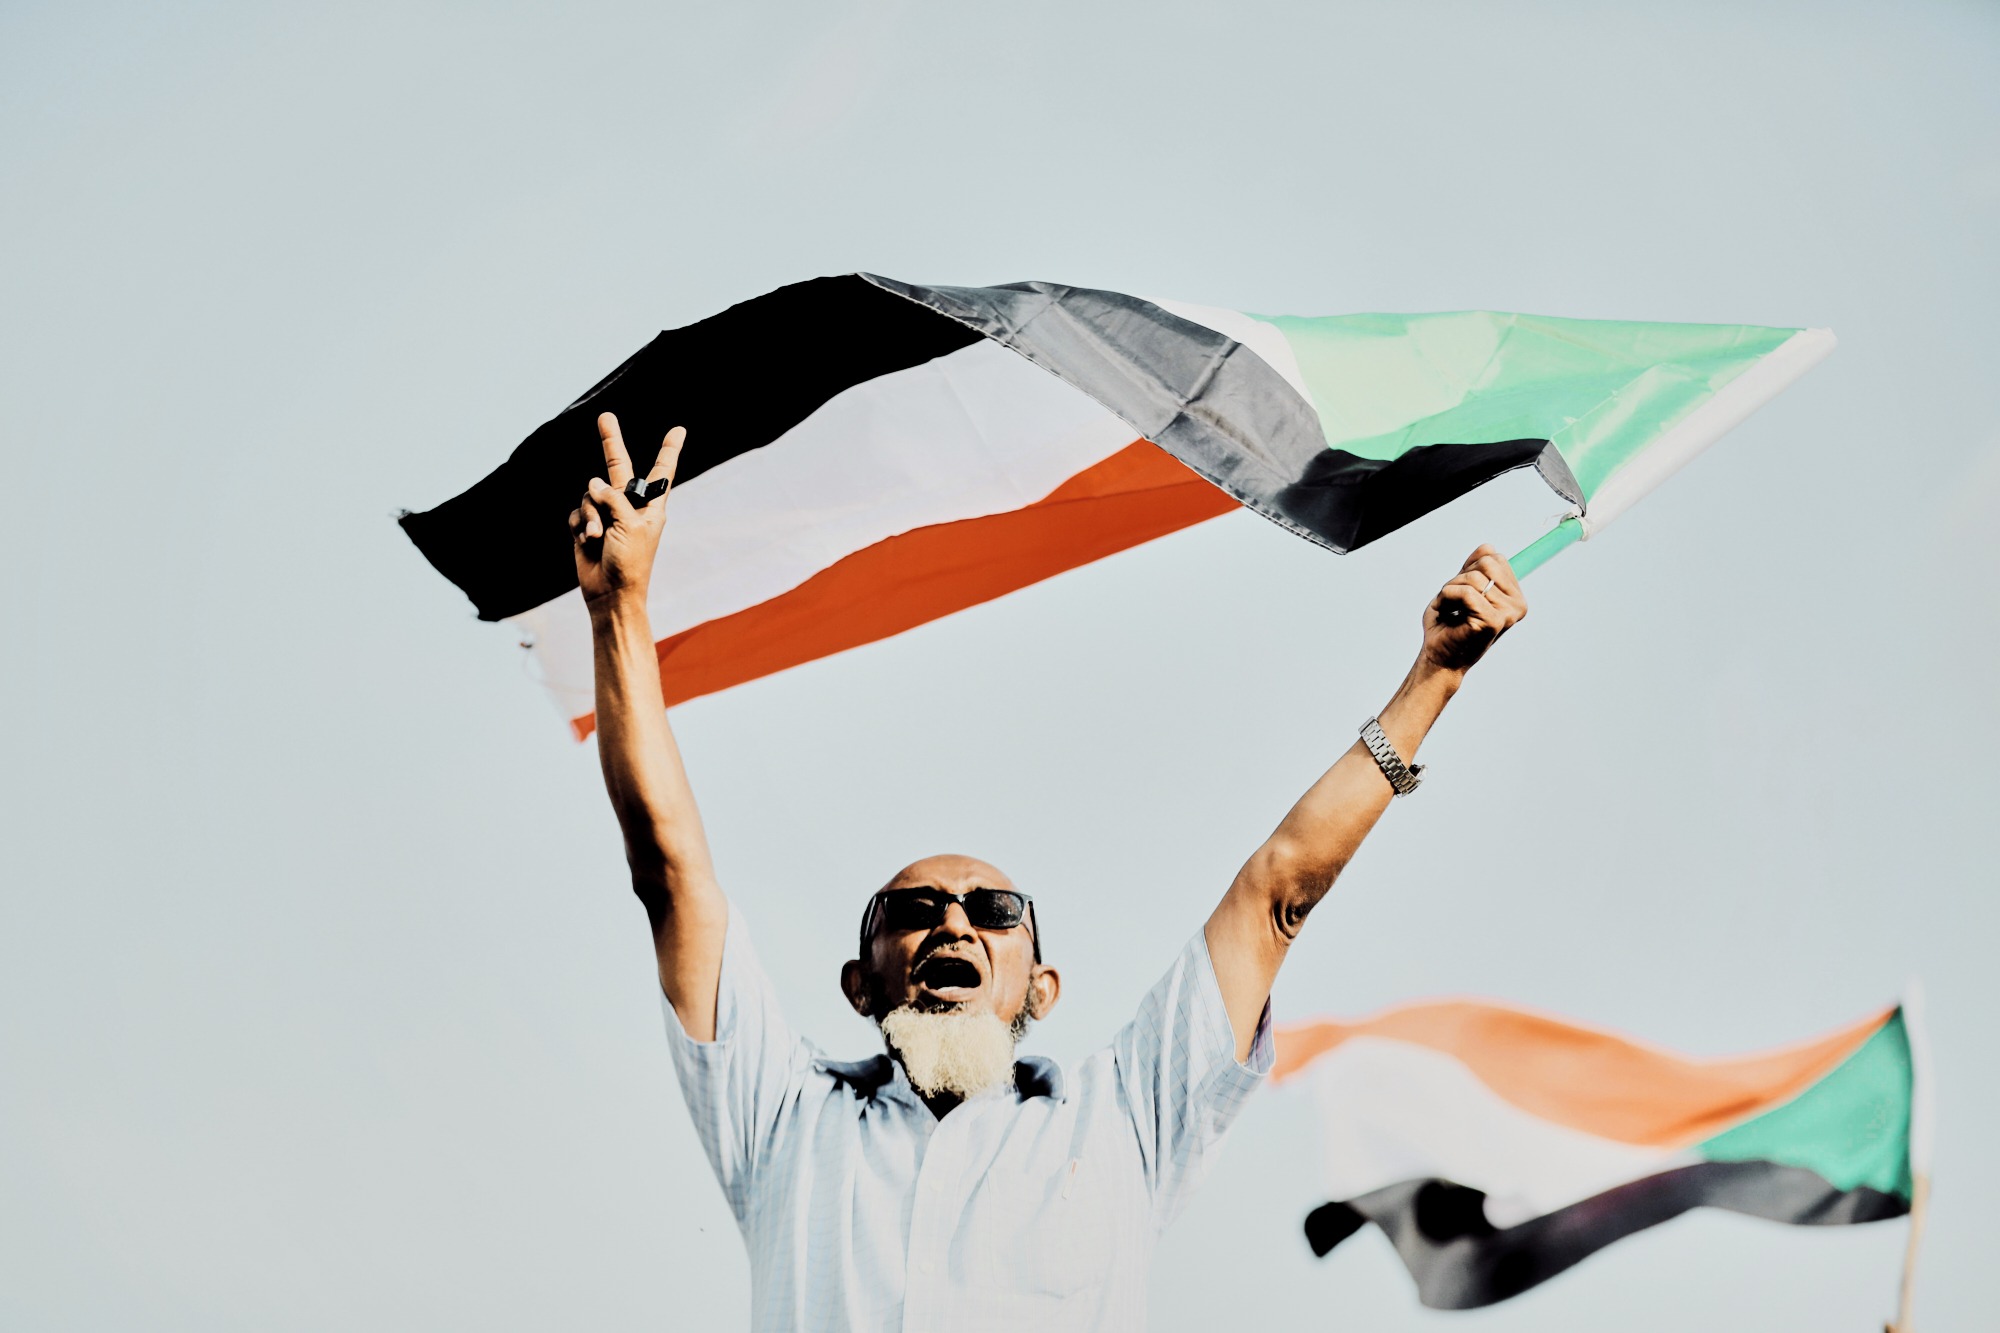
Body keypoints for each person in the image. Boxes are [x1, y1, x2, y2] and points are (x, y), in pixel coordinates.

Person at [568, 413, 1527, 1332]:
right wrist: (621, 610)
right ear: (861, 983)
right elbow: (671, 872)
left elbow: (1278, 891)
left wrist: (1433, 676)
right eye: (914, 909)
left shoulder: (1121, 1122)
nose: (954, 924)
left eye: (994, 910)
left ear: (1043, 984)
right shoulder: (786, 1125)